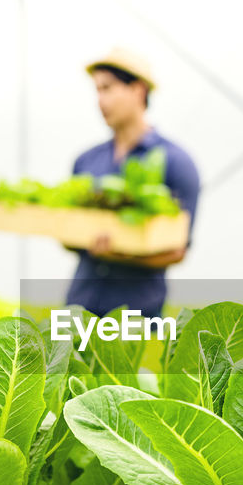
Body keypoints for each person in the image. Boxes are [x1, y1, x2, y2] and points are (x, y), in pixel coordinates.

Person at [65, 48, 200, 319]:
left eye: (108, 89)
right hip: (79, 308)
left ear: (138, 91)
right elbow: (68, 233)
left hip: (138, 313)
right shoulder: (86, 161)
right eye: (97, 91)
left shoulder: (176, 162)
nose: (100, 101)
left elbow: (178, 249)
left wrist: (121, 252)